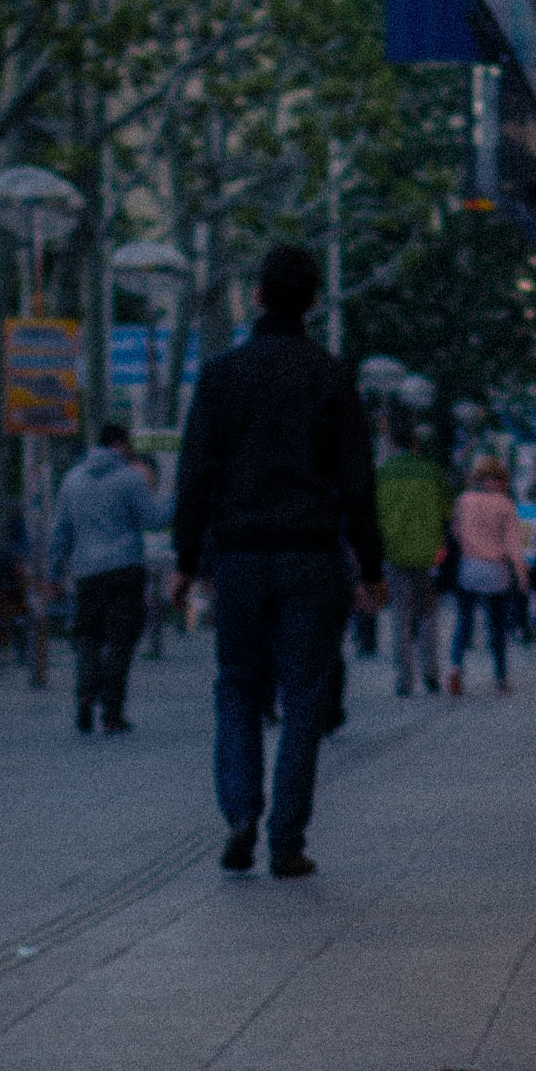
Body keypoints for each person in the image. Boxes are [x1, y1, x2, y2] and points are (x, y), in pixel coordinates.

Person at [170, 245, 386, 878]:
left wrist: (186, 558)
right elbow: (356, 478)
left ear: (256, 297)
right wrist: (370, 569)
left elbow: (195, 474)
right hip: (311, 557)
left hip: (237, 557)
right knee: (304, 697)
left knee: (236, 685)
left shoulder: (220, 375)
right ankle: (286, 840)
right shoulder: (331, 375)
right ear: (315, 302)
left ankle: (241, 810)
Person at [51, 422, 162, 733]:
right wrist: (174, 500)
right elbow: (153, 520)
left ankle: (85, 696)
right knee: (119, 642)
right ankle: (112, 713)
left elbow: (61, 532)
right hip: (125, 569)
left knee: (87, 638)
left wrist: (53, 572)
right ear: (121, 445)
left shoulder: (71, 480)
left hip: (86, 573)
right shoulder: (130, 479)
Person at [375, 423, 452, 697]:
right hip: (428, 556)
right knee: (428, 616)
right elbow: (447, 513)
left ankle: (404, 679)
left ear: (393, 445)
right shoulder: (433, 472)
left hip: (393, 554)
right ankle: (431, 673)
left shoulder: (382, 474)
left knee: (400, 616)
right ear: (416, 444)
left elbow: (373, 515)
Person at [446, 455, 525, 696]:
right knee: (497, 627)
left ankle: (455, 668)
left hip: (469, 568)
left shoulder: (464, 500)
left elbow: (456, 533)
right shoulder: (504, 504)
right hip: (496, 570)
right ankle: (500, 679)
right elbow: (512, 542)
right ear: (500, 480)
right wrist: (521, 573)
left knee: (464, 622)